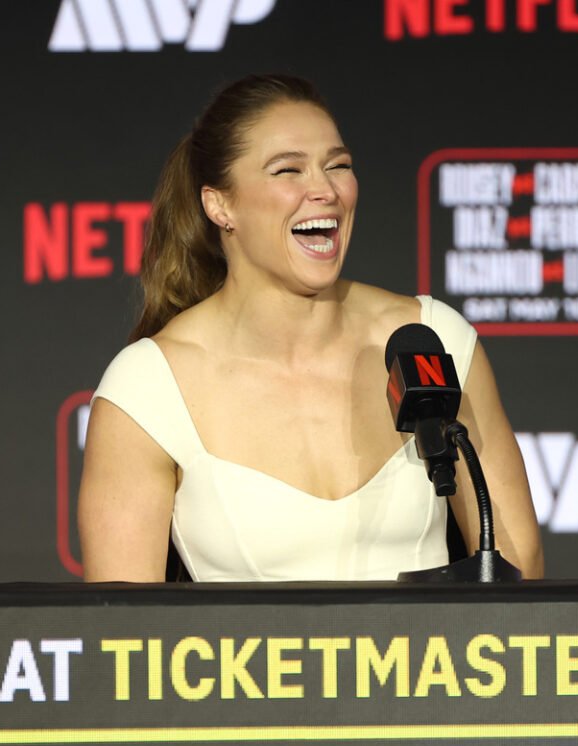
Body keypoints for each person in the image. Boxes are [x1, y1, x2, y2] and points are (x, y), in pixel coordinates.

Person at [79, 74, 542, 582]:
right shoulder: (148, 389)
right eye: (288, 170)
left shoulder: (433, 340)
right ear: (220, 205)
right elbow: (125, 624)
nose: (325, 190)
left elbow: (518, 581)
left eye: (338, 166)